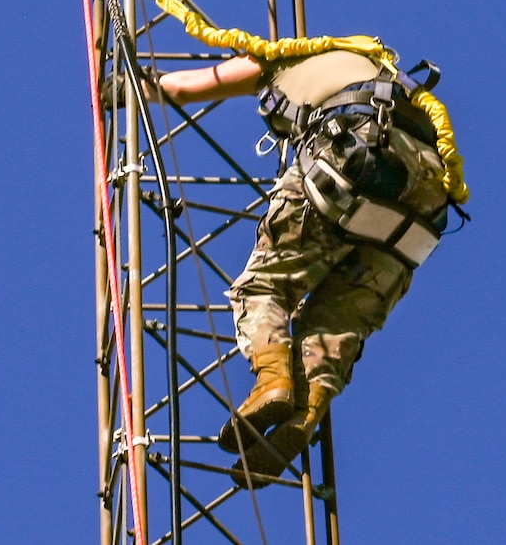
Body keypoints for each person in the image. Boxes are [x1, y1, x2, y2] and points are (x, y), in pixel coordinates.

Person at [152, 39, 469, 487]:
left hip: (352, 160)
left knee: (264, 288)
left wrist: (132, 88)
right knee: (335, 324)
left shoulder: (280, 62)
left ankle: (273, 384)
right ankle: (305, 414)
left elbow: (187, 87)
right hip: (420, 209)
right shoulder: (383, 75)